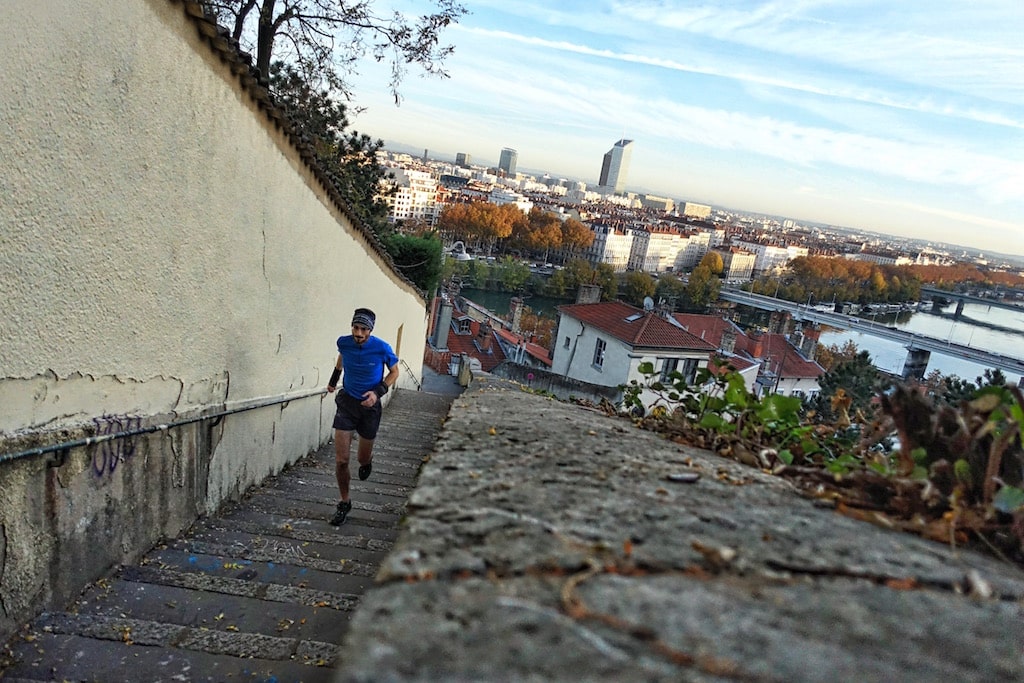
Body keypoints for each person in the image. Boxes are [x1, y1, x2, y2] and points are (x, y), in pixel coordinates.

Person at [325, 308, 399, 525]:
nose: (358, 333)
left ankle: (367, 462)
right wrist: (333, 380)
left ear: (370, 330)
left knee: (361, 459)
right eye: (356, 328)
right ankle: (344, 501)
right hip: (347, 403)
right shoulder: (344, 342)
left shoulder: (381, 348)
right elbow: (341, 359)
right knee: (341, 460)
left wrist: (377, 393)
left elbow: (395, 372)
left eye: (363, 329)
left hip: (370, 407)